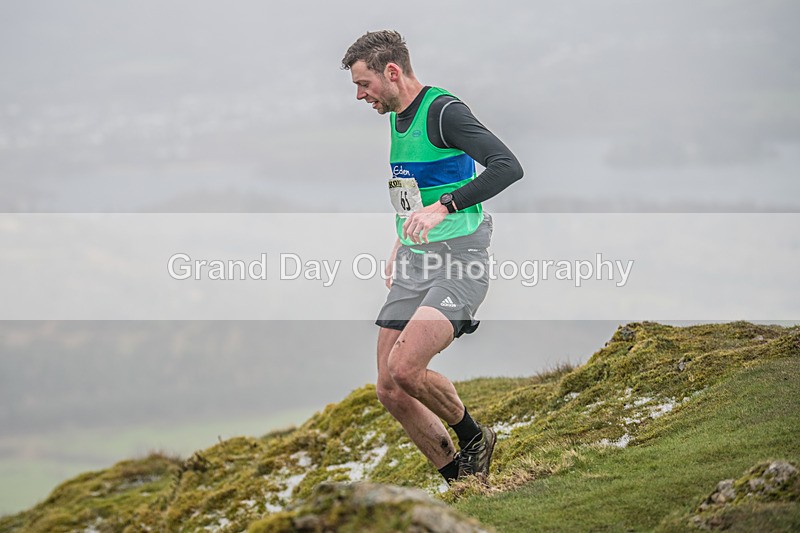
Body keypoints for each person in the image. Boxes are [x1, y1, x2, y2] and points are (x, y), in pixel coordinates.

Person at [341, 30, 523, 485]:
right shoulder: (394, 117)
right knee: (389, 386)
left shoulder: (445, 112)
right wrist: (403, 239)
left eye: (364, 84)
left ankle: (475, 438)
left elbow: (507, 166)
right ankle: (461, 482)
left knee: (407, 367)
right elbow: (415, 192)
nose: (361, 96)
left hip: (461, 257)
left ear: (393, 72)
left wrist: (445, 208)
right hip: (415, 259)